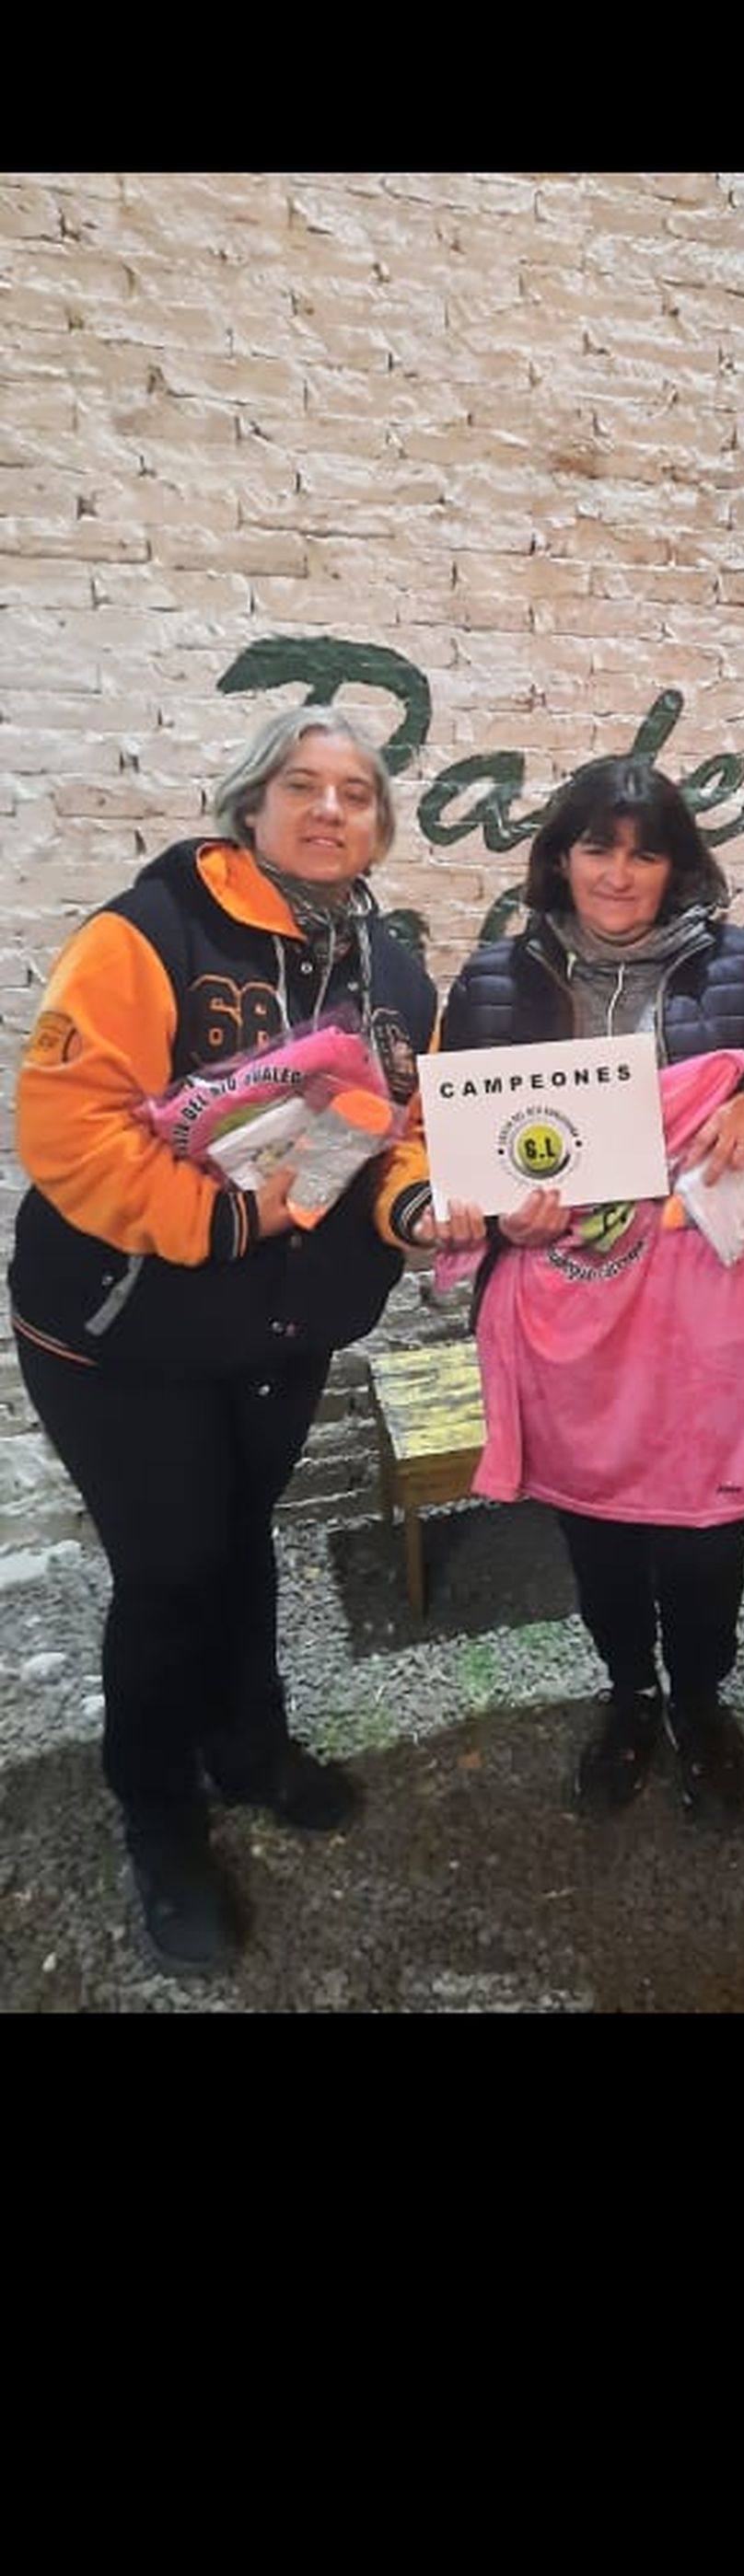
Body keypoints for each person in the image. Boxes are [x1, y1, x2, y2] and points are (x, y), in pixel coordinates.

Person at [8, 708, 440, 1979]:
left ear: (378, 825)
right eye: (301, 786)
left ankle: (248, 1748)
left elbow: (400, 1125)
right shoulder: (147, 933)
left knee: (239, 1536)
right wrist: (229, 1214)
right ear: (249, 805)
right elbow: (72, 1127)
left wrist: (412, 1200)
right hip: (122, 1327)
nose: (328, 809)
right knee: (172, 1568)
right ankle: (157, 1810)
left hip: (277, 1326)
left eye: (356, 793)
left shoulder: (393, 972)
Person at [436, 753, 744, 1829]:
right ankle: (630, 1697)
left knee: (705, 1529)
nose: (620, 874)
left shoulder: (738, 970)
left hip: (700, 1306)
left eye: (646, 854)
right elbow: (462, 1148)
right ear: (559, 857)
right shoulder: (495, 983)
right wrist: (499, 1210)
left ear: (678, 866)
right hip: (566, 1309)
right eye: (598, 847)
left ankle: (701, 1701)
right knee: (595, 1524)